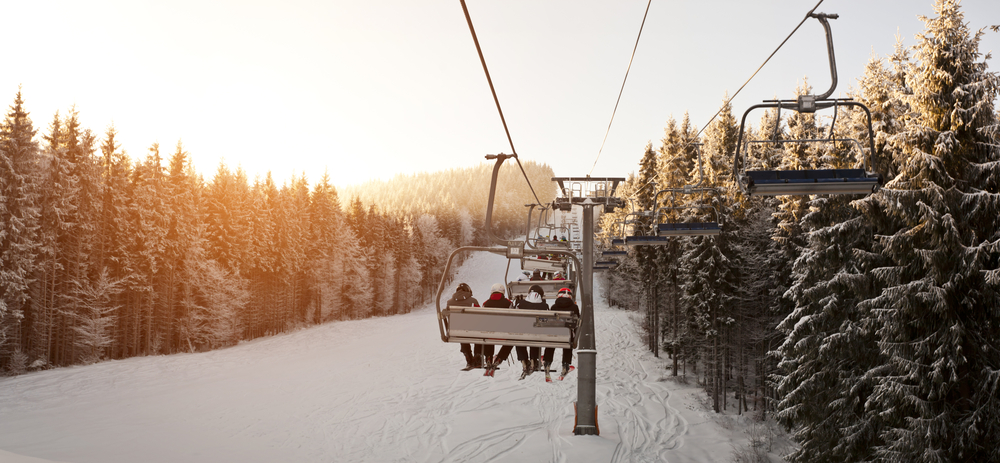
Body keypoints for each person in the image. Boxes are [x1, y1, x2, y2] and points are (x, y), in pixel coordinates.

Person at [513, 284, 548, 380]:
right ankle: (533, 360)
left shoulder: (520, 304)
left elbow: (513, 317)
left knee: (519, 336)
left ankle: (524, 361)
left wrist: (517, 302)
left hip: (521, 333)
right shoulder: (544, 305)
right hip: (536, 334)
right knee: (536, 334)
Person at [446, 282, 481, 370]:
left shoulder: (449, 302)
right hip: (473, 329)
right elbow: (480, 316)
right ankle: (477, 357)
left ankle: (468, 358)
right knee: (478, 330)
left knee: (461, 330)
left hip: (456, 330)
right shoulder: (473, 301)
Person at [482, 283, 513, 377]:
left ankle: (488, 357)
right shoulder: (509, 303)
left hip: (490, 334)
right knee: (511, 340)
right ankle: (499, 358)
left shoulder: (486, 303)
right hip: (504, 334)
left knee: (487, 336)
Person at [551, 287, 580, 378]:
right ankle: (565, 365)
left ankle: (547, 362)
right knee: (568, 341)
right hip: (567, 335)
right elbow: (577, 322)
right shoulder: (574, 307)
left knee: (551, 342)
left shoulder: (554, 307)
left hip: (554, 334)